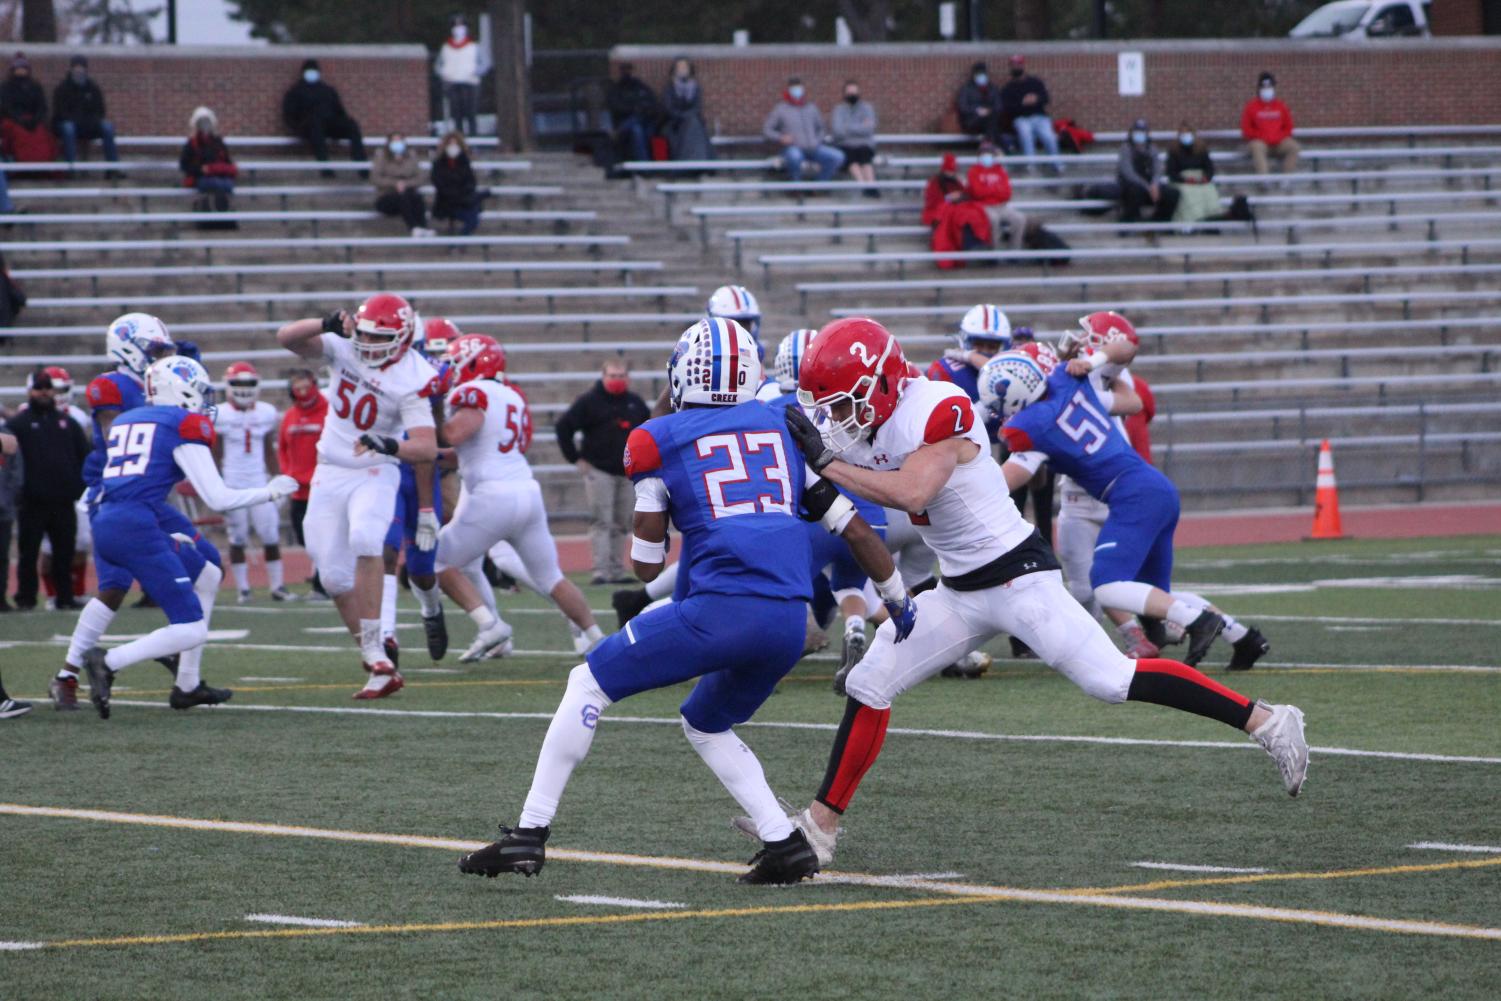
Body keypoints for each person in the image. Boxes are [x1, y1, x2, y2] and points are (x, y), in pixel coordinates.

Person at [773, 317, 1308, 866]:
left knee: (1110, 679)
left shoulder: (937, 406)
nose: (834, 419)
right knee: (869, 680)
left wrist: (828, 464)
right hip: (957, 589)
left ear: (883, 384)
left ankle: (1267, 721)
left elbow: (913, 489)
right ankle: (819, 830)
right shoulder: (863, 421)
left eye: (842, 405)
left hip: (1017, 576)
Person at [456, 317, 913, 885]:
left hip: (719, 612)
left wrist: (667, 505)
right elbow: (855, 531)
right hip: (786, 625)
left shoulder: (658, 437)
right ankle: (785, 845)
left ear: (682, 372)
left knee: (587, 683)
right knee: (706, 722)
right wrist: (897, 600)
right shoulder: (780, 423)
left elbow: (645, 563)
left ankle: (528, 834)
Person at [987, 313, 1270, 671]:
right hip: (1130, 489)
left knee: (1106, 586)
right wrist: (1088, 363)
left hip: (1125, 494)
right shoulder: (1075, 383)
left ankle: (1184, 626)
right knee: (1144, 594)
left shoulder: (1069, 389)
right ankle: (1242, 637)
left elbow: (1017, 471)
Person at [79, 355, 299, 720]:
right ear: (179, 389)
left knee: (209, 573)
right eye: (199, 391)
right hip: (136, 523)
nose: (203, 400)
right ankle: (108, 660)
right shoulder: (183, 423)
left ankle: (187, 684)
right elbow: (219, 499)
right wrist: (270, 491)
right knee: (192, 628)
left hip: (111, 517)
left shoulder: (129, 418)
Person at [274, 295, 441, 699]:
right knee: (331, 575)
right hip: (329, 468)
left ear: (401, 338)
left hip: (374, 468)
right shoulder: (346, 346)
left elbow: (427, 447)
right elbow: (286, 338)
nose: (366, 342)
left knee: (367, 539)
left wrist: (390, 444)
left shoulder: (414, 376)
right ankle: (375, 657)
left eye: (377, 336)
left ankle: (379, 645)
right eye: (363, 333)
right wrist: (323, 321)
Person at [51, 314, 219, 710]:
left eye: (166, 351)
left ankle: (186, 677)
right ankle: (68, 675)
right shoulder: (110, 386)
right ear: (129, 348)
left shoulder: (154, 383)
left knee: (209, 566)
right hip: (113, 493)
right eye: (157, 350)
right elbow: (115, 441)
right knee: (115, 585)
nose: (163, 357)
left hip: (147, 499)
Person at [423, 339, 606, 663]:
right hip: (525, 492)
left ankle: (489, 624)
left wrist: (435, 406)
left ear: (476, 362)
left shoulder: (472, 393)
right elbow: (470, 449)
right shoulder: (511, 395)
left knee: (435, 560)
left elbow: (452, 435)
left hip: (493, 496)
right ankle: (597, 638)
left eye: (455, 360)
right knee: (552, 578)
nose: (450, 366)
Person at [555, 358, 650, 584]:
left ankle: (617, 570)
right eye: (612, 376)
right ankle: (600, 570)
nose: (617, 380)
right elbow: (563, 427)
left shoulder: (635, 403)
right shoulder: (589, 402)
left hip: (627, 472)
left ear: (627, 377)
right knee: (602, 520)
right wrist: (576, 459)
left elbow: (648, 430)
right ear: (603, 376)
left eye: (620, 376)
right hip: (600, 471)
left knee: (622, 522)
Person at [5, 369, 90, 610]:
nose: (44, 392)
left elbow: (83, 456)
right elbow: (10, 460)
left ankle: (65, 596)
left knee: (65, 552)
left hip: (63, 500)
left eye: (47, 388)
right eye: (39, 388)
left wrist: (78, 486)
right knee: (28, 553)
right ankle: (26, 598)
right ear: (30, 391)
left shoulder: (68, 423)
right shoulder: (18, 424)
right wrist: (17, 491)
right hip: (31, 501)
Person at [213, 362, 291, 604]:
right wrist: (216, 483)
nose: (243, 388)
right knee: (238, 537)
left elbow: (268, 449)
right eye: (238, 383)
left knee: (270, 534)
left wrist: (277, 477)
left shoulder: (266, 412)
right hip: (233, 483)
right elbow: (216, 452)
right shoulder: (220, 412)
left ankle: (278, 586)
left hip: (260, 483)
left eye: (248, 383)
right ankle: (243, 589)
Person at [277, 367, 329, 600]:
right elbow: (283, 448)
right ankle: (325, 578)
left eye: (306, 387)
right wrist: (288, 473)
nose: (302, 392)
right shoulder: (289, 416)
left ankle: (322, 584)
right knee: (304, 538)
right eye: (297, 388)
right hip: (298, 489)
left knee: (323, 538)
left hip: (322, 486)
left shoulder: (329, 411)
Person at [282, 59, 367, 172]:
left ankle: (361, 165)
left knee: (351, 125)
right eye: (309, 71)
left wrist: (342, 122)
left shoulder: (327, 90)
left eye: (314, 71)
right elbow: (289, 114)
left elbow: (339, 110)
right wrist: (297, 127)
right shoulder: (295, 91)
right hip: (309, 126)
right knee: (316, 124)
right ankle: (325, 167)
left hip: (329, 124)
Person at [763, 77, 844, 183]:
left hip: (814, 148)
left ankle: (819, 185)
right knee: (794, 157)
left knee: (837, 157)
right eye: (793, 89)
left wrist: (817, 140)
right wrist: (780, 137)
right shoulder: (781, 109)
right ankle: (796, 186)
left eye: (799, 88)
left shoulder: (811, 108)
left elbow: (821, 128)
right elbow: (767, 130)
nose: (797, 91)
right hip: (793, 148)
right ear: (788, 91)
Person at [922, 153, 991, 268]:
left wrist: (958, 197)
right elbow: (934, 202)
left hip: (958, 210)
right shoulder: (935, 182)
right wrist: (948, 199)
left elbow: (966, 194)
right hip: (945, 211)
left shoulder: (956, 181)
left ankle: (976, 243)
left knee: (973, 214)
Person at [51, 54, 119, 167]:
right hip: (70, 124)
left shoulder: (93, 88)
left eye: (81, 67)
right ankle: (71, 169)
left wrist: (91, 121)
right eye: (76, 67)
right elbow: (60, 112)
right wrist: (77, 120)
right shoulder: (62, 88)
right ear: (71, 68)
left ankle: (113, 169)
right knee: (69, 129)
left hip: (89, 124)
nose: (79, 70)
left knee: (108, 127)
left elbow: (100, 110)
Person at [998, 54, 1062, 173]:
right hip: (1021, 119)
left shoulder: (1035, 82)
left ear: (1023, 65)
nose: (1016, 67)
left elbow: (1046, 98)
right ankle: (1031, 166)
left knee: (1049, 137)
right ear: (1010, 67)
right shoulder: (1008, 88)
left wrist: (1036, 99)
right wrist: (1023, 103)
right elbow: (1007, 108)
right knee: (1025, 134)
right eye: (1013, 65)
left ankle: (1057, 165)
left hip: (1040, 117)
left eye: (1018, 64)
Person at [179, 106, 238, 227]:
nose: (205, 125)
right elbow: (184, 165)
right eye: (202, 122)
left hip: (219, 177)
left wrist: (219, 169)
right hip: (202, 178)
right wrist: (200, 170)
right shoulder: (192, 143)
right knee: (215, 184)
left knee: (226, 184)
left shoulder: (218, 142)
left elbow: (228, 162)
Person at [966, 141, 1027, 250]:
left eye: (989, 153)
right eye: (983, 154)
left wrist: (989, 190)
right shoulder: (974, 171)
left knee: (1019, 218)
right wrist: (996, 190)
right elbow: (977, 193)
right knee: (994, 219)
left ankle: (1014, 251)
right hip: (983, 206)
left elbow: (1007, 194)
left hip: (1001, 205)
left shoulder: (1000, 170)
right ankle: (995, 252)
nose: (986, 156)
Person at [0, 53, 57, 165]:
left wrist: (35, 119)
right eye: (18, 68)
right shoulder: (6, 87)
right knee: (17, 133)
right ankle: (20, 162)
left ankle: (42, 163)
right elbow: (5, 107)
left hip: (33, 121)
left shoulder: (35, 86)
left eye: (23, 68)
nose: (21, 70)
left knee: (41, 133)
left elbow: (41, 106)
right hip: (14, 120)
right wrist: (19, 119)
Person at [1117, 118, 1178, 224]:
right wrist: (1148, 187)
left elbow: (1157, 169)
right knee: (1134, 193)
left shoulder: (1152, 148)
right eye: (1137, 131)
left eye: (1142, 131)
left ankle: (1159, 222)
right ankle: (1128, 223)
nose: (1139, 134)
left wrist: (1154, 185)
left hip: (1150, 184)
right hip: (1132, 185)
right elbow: (1128, 173)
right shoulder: (1125, 148)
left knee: (1173, 194)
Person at [372, 134, 432, 238]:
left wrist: (405, 184)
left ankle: (423, 227)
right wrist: (395, 184)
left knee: (416, 197)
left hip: (409, 194)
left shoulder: (411, 156)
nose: (397, 144)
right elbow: (375, 178)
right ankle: (414, 227)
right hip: (386, 197)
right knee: (402, 197)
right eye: (394, 141)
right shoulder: (382, 157)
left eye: (399, 141)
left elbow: (420, 177)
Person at [431, 131, 488, 236]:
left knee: (473, 217)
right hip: (446, 202)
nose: (453, 146)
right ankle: (455, 244)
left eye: (455, 143)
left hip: (464, 201)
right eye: (450, 143)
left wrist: (463, 193)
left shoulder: (464, 162)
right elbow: (438, 183)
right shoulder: (439, 163)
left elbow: (471, 181)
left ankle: (460, 242)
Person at [1165, 121, 1223, 225]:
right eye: (1183, 133)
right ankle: (1191, 222)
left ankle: (1212, 221)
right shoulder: (1174, 151)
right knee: (1188, 193)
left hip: (1200, 179)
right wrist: (1186, 180)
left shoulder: (1202, 149)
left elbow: (1209, 168)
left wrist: (1206, 178)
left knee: (1209, 190)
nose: (1186, 135)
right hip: (1182, 181)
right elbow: (1171, 173)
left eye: (1188, 132)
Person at [1241, 71, 1298, 175]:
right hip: (1261, 143)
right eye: (1264, 87)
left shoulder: (1281, 106)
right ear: (1259, 88)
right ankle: (1264, 179)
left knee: (1294, 146)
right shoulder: (1251, 107)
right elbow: (1246, 130)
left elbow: (1289, 127)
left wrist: (1278, 137)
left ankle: (1287, 179)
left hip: (1278, 143)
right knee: (1257, 147)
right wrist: (1262, 137)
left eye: (1269, 87)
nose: (1267, 90)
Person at [434, 15, 481, 136]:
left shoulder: (474, 46)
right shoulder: (446, 47)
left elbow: (484, 63)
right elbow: (438, 65)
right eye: (455, 26)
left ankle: (474, 140)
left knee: (471, 113)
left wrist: (475, 72)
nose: (458, 29)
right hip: (452, 84)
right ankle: (460, 139)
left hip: (470, 84)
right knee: (456, 114)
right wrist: (443, 74)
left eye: (461, 26)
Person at [606, 63, 660, 166]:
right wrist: (634, 109)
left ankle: (619, 131)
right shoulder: (616, 89)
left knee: (641, 124)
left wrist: (642, 109)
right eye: (624, 70)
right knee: (636, 129)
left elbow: (653, 103)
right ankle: (645, 165)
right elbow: (616, 107)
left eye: (629, 69)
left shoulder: (641, 87)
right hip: (626, 121)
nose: (627, 72)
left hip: (646, 120)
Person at [660, 57, 713, 163]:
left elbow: (697, 107)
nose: (682, 69)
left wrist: (688, 117)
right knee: (690, 125)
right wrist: (683, 117)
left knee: (694, 125)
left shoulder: (695, 88)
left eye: (684, 67)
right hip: (674, 124)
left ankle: (700, 163)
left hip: (692, 121)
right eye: (679, 67)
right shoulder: (669, 88)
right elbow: (668, 109)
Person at [830, 80, 878, 193]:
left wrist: (847, 127)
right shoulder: (839, 110)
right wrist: (860, 127)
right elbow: (837, 130)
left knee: (865, 159)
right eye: (849, 92)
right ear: (844, 94)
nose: (852, 95)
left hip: (864, 144)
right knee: (850, 158)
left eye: (854, 92)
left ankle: (872, 186)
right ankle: (863, 186)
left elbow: (869, 129)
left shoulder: (867, 108)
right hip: (845, 145)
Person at [956, 61, 1003, 146]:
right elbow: (962, 107)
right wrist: (977, 110)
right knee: (992, 125)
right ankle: (1001, 148)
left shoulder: (992, 88)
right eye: (978, 73)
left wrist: (989, 111)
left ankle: (989, 147)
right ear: (973, 75)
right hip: (972, 121)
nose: (981, 76)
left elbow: (999, 106)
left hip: (990, 119)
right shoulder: (966, 89)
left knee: (991, 121)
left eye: (983, 73)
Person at [0, 425, 21, 613]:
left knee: (2, 556)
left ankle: (1, 598)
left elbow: (16, 474)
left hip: (2, 508)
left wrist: (6, 498)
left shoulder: (8, 433)